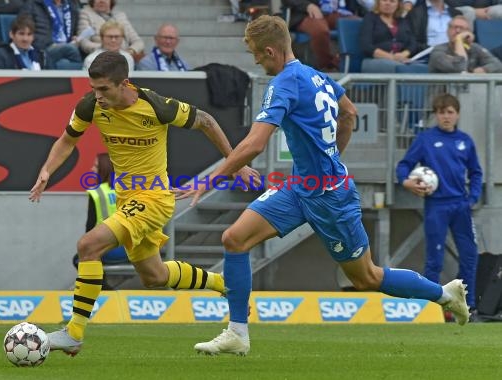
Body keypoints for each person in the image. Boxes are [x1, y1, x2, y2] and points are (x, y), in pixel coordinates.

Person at [178, 15, 470, 356]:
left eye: (257, 53)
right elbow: (349, 112)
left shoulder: (284, 83)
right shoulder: (317, 76)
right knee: (234, 238)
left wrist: (209, 178)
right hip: (301, 185)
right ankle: (237, 333)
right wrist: (332, 157)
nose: (256, 60)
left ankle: (445, 295)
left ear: (270, 50)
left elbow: (255, 144)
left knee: (366, 278)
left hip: (330, 197)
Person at [28, 51, 260, 355]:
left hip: (153, 198)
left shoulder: (155, 105)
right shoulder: (90, 105)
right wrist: (47, 169)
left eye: (104, 89)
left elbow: (206, 120)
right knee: (155, 276)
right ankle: (223, 283)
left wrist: (236, 163)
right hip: (127, 199)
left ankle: (74, 332)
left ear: (124, 83)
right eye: (93, 88)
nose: (97, 96)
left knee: (88, 245)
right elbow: (67, 140)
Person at [396, 93, 482, 315]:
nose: (446, 117)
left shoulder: (465, 141)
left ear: (457, 114)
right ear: (436, 115)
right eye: (441, 112)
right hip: (436, 206)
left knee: (469, 255)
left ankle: (467, 306)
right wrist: (406, 182)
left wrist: (472, 198)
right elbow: (404, 165)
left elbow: (476, 172)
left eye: (450, 112)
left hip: (460, 206)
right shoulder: (425, 139)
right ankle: (432, 309)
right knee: (434, 259)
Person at [72, 153, 129, 280]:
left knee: (79, 258)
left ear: (105, 169)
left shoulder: (97, 192)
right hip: (133, 250)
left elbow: (89, 229)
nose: (92, 169)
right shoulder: (130, 191)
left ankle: (104, 290)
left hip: (109, 250)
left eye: (96, 166)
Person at [281, 0, 359, 71]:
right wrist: (307, 5)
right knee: (320, 30)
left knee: (358, 23)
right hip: (305, 13)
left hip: (335, 10)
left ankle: (354, 68)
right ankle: (327, 67)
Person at [20, 0, 82, 70]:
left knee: (70, 54)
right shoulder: (34, 4)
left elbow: (73, 32)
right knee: (71, 49)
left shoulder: (71, 6)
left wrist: (74, 38)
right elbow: (24, 30)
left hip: (65, 45)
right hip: (42, 47)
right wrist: (49, 42)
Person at [360, 0, 419, 73]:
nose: (387, 3)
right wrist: (392, 57)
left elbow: (413, 43)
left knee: (421, 68)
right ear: (378, 2)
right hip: (375, 59)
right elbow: (366, 46)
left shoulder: (402, 21)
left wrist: (403, 54)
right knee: (402, 68)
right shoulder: (370, 18)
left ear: (398, 4)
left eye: (392, 1)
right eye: (384, 0)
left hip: (401, 60)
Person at [429, 15, 502, 73]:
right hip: (443, 91)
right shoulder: (438, 50)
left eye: (461, 28)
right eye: (454, 27)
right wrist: (459, 40)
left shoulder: (475, 48)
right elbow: (460, 69)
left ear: (468, 32)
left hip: (468, 91)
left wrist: (483, 69)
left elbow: (498, 65)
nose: (457, 31)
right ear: (447, 31)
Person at [77, 0, 143, 60]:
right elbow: (83, 42)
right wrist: (107, 48)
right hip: (99, 57)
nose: (101, 1)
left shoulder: (120, 16)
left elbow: (138, 42)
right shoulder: (86, 14)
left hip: (124, 57)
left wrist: (130, 51)